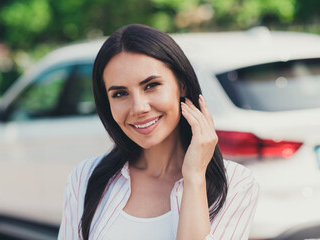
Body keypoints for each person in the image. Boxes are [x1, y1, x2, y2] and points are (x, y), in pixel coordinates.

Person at [58, 24, 259, 240]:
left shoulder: (236, 185)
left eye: (151, 85)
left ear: (181, 85)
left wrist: (194, 177)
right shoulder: (86, 178)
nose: (139, 108)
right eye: (120, 94)